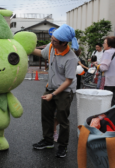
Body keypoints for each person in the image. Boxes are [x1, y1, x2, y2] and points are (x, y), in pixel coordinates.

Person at [31, 24, 78, 158]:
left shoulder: (71, 58)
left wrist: (53, 95)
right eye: (51, 39)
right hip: (50, 87)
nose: (51, 42)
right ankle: (48, 141)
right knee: (46, 116)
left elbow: (68, 81)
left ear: (64, 43)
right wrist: (26, 48)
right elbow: (41, 53)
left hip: (64, 91)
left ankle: (63, 147)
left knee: (62, 120)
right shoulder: (52, 47)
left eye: (54, 41)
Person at [94, 36, 115, 105]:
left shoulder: (108, 52)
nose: (103, 44)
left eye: (105, 43)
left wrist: (97, 66)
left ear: (110, 44)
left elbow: (103, 68)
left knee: (109, 103)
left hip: (110, 82)